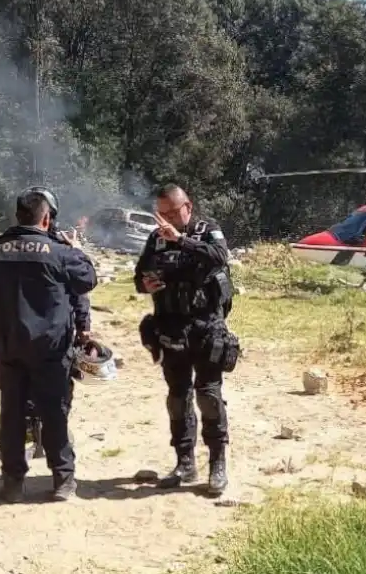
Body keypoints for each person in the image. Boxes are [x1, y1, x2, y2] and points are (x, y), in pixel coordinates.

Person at [0, 186, 98, 503]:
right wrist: (77, 249)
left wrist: (6, 319)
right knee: (55, 413)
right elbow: (88, 280)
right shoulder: (60, 252)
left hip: (9, 347)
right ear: (46, 219)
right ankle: (63, 481)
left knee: (12, 414)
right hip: (51, 351)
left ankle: (13, 482)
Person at [134, 184, 239, 497]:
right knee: (178, 399)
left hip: (206, 328)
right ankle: (184, 462)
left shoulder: (208, 231)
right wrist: (146, 284)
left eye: (171, 212)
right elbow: (140, 275)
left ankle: (217, 464)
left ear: (187, 207)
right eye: (160, 213)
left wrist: (181, 240)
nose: (164, 220)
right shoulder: (155, 239)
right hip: (170, 328)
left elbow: (220, 257)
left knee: (208, 395)